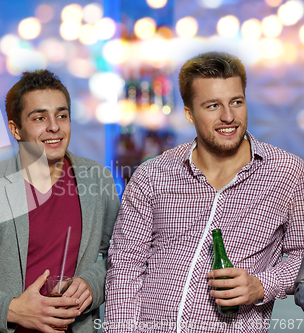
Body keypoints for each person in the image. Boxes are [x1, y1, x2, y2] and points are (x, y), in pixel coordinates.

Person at [104, 51, 304, 332]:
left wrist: (261, 286)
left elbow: (301, 257)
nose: (228, 117)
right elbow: (125, 268)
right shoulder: (152, 174)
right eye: (212, 106)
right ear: (189, 113)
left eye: (236, 102)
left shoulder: (287, 172)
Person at [0, 69, 120, 333]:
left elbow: (120, 257)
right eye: (39, 117)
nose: (54, 126)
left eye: (62, 115)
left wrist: (91, 284)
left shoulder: (97, 180)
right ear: (15, 129)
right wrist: (13, 309)